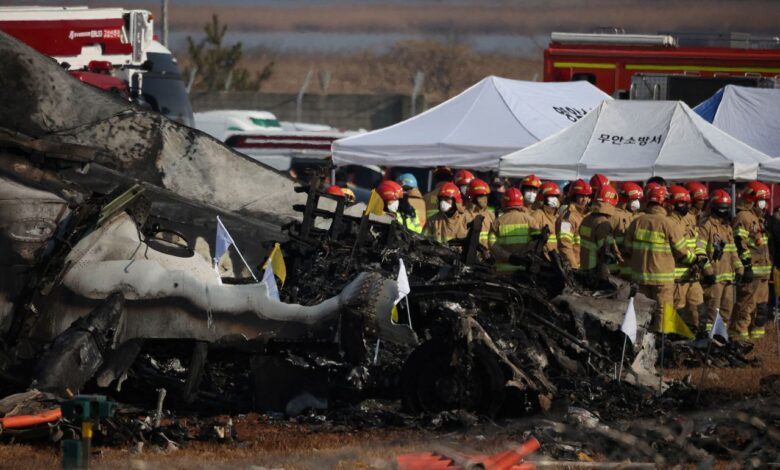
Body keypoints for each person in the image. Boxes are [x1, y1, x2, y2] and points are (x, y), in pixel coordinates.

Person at [624, 185, 695, 331]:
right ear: (663, 203)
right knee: (663, 311)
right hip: (663, 279)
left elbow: (627, 248)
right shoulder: (668, 224)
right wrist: (694, 260)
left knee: (642, 311)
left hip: (640, 277)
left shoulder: (636, 221)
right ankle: (662, 343)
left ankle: (641, 342)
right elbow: (682, 250)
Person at [698, 190, 744, 333]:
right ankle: (708, 343)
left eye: (726, 207)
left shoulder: (727, 228)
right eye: (721, 207)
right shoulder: (706, 226)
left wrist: (739, 268)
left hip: (727, 280)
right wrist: (708, 271)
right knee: (712, 313)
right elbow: (699, 251)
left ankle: (721, 341)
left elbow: (733, 251)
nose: (724, 211)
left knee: (726, 312)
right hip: (714, 280)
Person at [733, 181, 772, 339]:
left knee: (761, 310)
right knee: (746, 308)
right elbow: (739, 243)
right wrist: (746, 266)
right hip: (752, 273)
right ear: (751, 200)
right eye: (762, 201)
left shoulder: (759, 219)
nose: (764, 205)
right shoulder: (743, 217)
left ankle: (757, 345)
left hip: (762, 274)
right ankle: (739, 339)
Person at [668, 185, 705, 331]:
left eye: (687, 203)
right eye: (682, 203)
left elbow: (697, 240)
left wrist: (701, 256)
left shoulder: (689, 219)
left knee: (698, 309)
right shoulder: (670, 222)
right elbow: (677, 249)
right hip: (679, 277)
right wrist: (694, 260)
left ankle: (697, 340)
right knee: (680, 311)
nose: (686, 206)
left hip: (693, 274)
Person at [579, 184, 621, 276]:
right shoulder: (603, 224)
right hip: (597, 272)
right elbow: (606, 253)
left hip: (584, 267)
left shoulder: (586, 219)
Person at [491, 188, 534, 274]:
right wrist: (523, 256)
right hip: (523, 270)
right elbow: (535, 243)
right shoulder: (530, 220)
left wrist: (509, 257)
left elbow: (492, 245)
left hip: (502, 271)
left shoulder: (498, 221)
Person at [556, 179, 592, 268]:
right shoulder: (567, 218)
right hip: (576, 267)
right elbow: (565, 245)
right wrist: (574, 268)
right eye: (581, 196)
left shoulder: (589, 215)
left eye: (587, 196)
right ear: (573, 196)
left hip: (589, 267)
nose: (585, 199)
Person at [614, 182, 644, 278]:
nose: (637, 202)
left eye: (638, 199)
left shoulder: (636, 216)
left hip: (633, 265)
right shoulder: (615, 215)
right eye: (635, 199)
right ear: (625, 199)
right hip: (620, 264)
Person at [530, 181, 561, 259]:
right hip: (543, 260)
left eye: (555, 196)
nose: (554, 199)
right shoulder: (537, 215)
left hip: (557, 260)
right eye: (551, 196)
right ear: (542, 198)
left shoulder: (557, 217)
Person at [464, 178, 496, 249]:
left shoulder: (491, 215)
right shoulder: (464, 215)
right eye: (481, 196)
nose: (485, 199)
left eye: (486, 196)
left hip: (487, 256)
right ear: (473, 197)